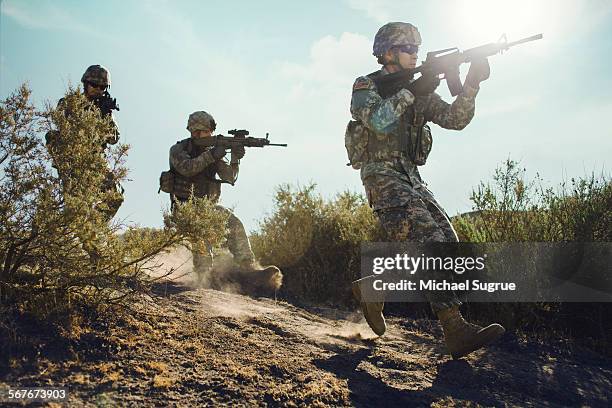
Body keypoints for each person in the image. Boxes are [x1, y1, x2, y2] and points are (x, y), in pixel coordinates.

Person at [347, 22, 505, 359]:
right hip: (382, 176)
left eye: (417, 49)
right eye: (408, 48)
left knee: (447, 243)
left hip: (411, 177)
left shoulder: (418, 88)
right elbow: (377, 121)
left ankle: (374, 288)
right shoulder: (367, 85)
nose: (414, 54)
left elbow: (454, 118)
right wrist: (414, 90)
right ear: (388, 53)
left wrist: (473, 82)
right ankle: (455, 329)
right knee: (430, 242)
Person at [168, 111, 281, 290]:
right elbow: (187, 168)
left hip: (207, 208)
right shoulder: (179, 149)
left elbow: (230, 177)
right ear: (191, 131)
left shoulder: (213, 151)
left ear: (210, 131)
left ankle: (249, 270)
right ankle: (203, 281)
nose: (199, 134)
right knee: (202, 234)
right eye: (196, 131)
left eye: (204, 131)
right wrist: (212, 155)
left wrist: (235, 157)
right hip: (185, 209)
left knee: (234, 224)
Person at [46, 64, 123, 221]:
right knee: (75, 209)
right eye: (94, 85)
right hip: (73, 162)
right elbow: (65, 125)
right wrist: (91, 112)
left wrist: (105, 116)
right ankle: (67, 238)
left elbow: (114, 139)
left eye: (102, 87)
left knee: (115, 196)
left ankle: (92, 231)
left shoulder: (104, 108)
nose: (98, 89)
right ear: (85, 83)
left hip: (96, 161)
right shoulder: (69, 103)